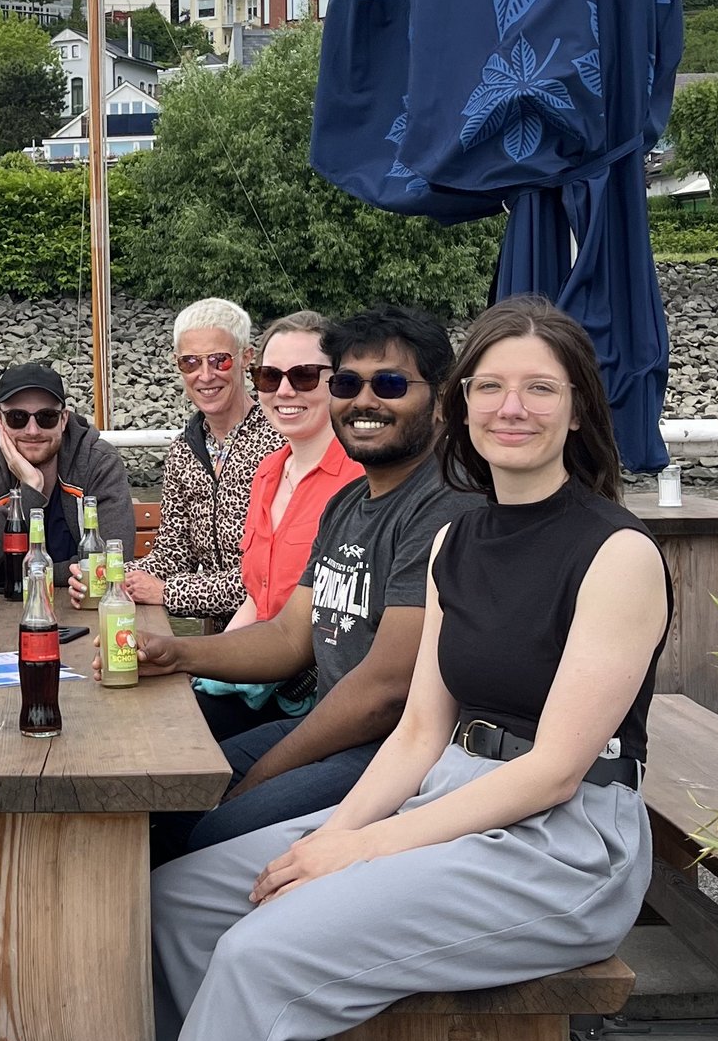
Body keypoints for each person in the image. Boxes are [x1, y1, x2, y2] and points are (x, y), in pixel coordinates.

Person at [151, 294, 669, 1041]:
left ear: (577, 410)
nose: (511, 408)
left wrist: (362, 844)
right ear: (463, 406)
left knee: (262, 952)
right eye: (489, 387)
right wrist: (332, 838)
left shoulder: (616, 553)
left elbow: (555, 769)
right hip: (444, 789)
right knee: (180, 902)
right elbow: (421, 732)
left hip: (565, 840)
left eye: (540, 389)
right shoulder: (455, 540)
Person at [135, 308, 484, 861]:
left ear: (441, 399)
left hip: (398, 752)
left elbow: (386, 692)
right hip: (337, 731)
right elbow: (291, 637)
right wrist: (176, 652)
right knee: (159, 799)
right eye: (347, 383)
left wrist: (261, 777)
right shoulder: (348, 503)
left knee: (199, 834)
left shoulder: (446, 505)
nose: (364, 401)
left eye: (390, 384)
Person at [191, 311, 366, 742]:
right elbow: (258, 598)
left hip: (313, 699)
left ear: (339, 382)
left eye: (305, 376)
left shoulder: (361, 480)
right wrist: (203, 670)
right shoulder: (268, 473)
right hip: (257, 682)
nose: (285, 390)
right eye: (270, 377)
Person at [70, 297, 283, 629]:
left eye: (219, 361)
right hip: (220, 639)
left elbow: (269, 578)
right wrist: (102, 575)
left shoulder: (279, 442)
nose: (205, 375)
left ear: (246, 358)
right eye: (190, 363)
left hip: (279, 637)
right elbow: (172, 554)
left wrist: (169, 593)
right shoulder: (184, 450)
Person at [0, 362, 134, 589]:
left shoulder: (99, 463)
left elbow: (115, 559)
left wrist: (24, 575)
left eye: (46, 417)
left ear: (64, 419)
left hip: (83, 608)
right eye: (17, 417)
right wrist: (28, 494)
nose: (33, 430)